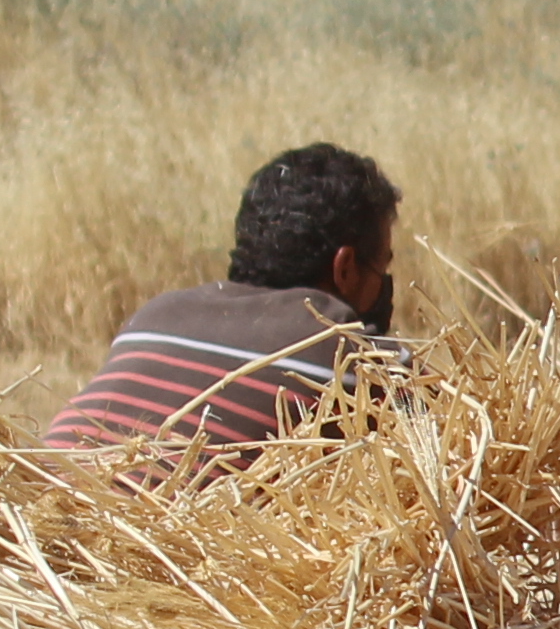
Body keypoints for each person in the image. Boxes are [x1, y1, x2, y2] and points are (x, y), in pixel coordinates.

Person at [41, 144, 406, 459]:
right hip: (156, 539)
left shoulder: (155, 315)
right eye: (380, 266)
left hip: (29, 518)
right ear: (344, 268)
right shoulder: (345, 350)